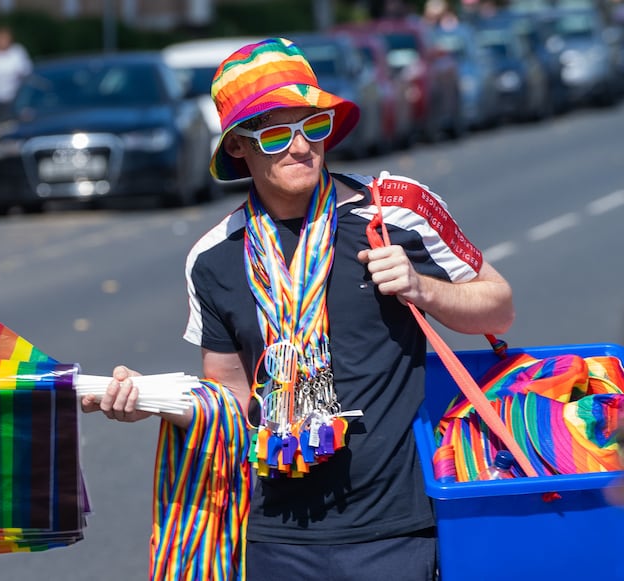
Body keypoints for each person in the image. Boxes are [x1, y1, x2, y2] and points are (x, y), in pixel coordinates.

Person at [82, 37, 514, 580]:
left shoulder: (395, 212)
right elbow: (230, 401)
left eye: (311, 127)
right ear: (239, 146)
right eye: (275, 133)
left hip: (396, 527)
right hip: (273, 534)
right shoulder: (214, 258)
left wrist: (423, 289)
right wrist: (149, 401)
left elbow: (498, 309)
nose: (300, 147)